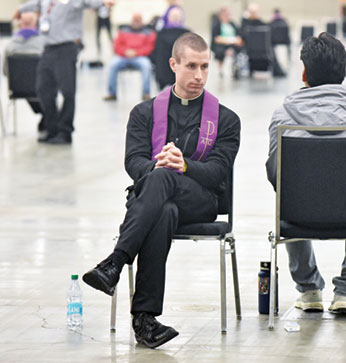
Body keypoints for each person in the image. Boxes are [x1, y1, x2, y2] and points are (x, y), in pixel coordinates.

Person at [83, 32, 241, 349]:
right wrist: (158, 168)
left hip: (200, 201)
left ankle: (115, 261)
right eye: (191, 66)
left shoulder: (225, 120)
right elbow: (133, 162)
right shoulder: (144, 113)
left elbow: (217, 173)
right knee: (162, 206)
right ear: (173, 64)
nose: (199, 75)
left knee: (163, 178)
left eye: (205, 67)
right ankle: (145, 320)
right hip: (154, 205)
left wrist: (184, 166)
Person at [265, 32, 346, 314]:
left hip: (298, 218)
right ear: (344, 72)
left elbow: (275, 175)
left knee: (286, 195)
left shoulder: (282, 115)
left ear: (304, 73)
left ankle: (309, 291)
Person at [16, 0, 115, 145]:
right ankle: (52, 129)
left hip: (66, 48)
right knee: (43, 90)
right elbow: (35, 4)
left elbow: (92, 3)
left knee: (67, 91)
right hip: (48, 48)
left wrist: (103, 3)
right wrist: (20, 9)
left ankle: (65, 131)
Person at [3, 12, 45, 136]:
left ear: (19, 24)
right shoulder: (44, 44)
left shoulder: (10, 47)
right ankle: (48, 118)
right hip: (40, 88)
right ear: (35, 23)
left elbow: (6, 72)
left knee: (25, 84)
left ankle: (45, 117)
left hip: (17, 90)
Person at [103, 13, 156, 102]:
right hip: (123, 56)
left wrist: (136, 52)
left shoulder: (148, 33)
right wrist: (125, 52)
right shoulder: (123, 31)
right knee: (112, 64)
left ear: (142, 21)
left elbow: (149, 47)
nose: (136, 22)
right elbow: (116, 46)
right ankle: (112, 93)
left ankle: (146, 93)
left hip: (140, 57)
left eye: (138, 20)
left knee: (146, 65)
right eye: (134, 20)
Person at [152, 7, 189, 89]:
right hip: (164, 65)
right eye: (173, 16)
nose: (175, 18)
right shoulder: (161, 33)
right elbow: (157, 51)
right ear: (168, 17)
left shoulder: (186, 32)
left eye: (177, 16)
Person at [210, 6, 244, 78]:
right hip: (221, 44)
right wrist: (227, 40)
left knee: (237, 49)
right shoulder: (217, 24)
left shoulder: (232, 24)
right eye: (226, 14)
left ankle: (235, 67)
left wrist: (236, 40)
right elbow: (216, 38)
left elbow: (239, 35)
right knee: (221, 50)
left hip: (232, 44)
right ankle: (221, 69)